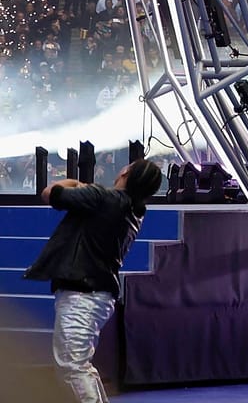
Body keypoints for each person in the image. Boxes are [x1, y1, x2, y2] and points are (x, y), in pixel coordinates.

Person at [25, 156, 164, 403]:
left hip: (83, 294)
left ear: (125, 173)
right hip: (95, 294)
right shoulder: (131, 210)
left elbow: (49, 193)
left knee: (72, 366)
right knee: (79, 365)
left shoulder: (104, 198)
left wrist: (77, 183)